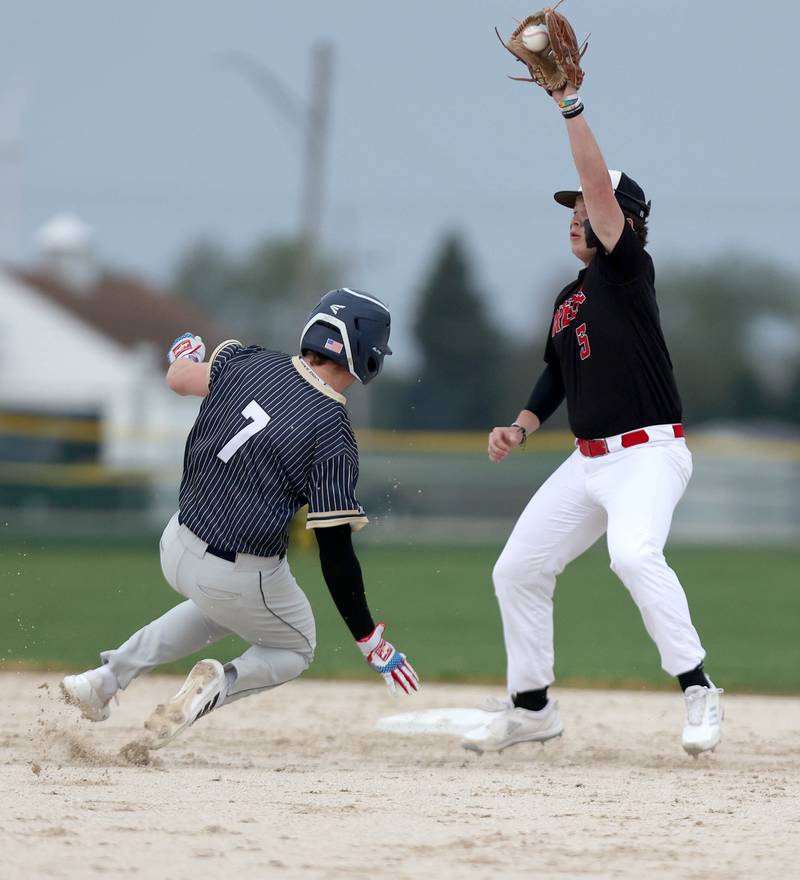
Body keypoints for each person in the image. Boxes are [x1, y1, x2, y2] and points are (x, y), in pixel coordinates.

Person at [462, 84, 722, 756]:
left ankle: (698, 688)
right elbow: (557, 373)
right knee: (516, 569)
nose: (574, 215)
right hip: (589, 459)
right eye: (572, 209)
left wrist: (570, 108)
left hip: (648, 453)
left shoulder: (628, 273)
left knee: (632, 555)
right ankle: (532, 708)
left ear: (621, 220)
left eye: (585, 206)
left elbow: (596, 188)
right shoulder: (571, 297)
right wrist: (521, 424)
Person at [61, 288, 418, 749]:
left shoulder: (248, 360)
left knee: (225, 609)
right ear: (366, 354)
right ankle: (219, 683)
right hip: (237, 570)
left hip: (177, 542)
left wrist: (183, 355)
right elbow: (335, 550)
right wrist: (369, 638)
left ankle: (105, 679)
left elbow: (179, 378)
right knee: (295, 647)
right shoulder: (331, 427)